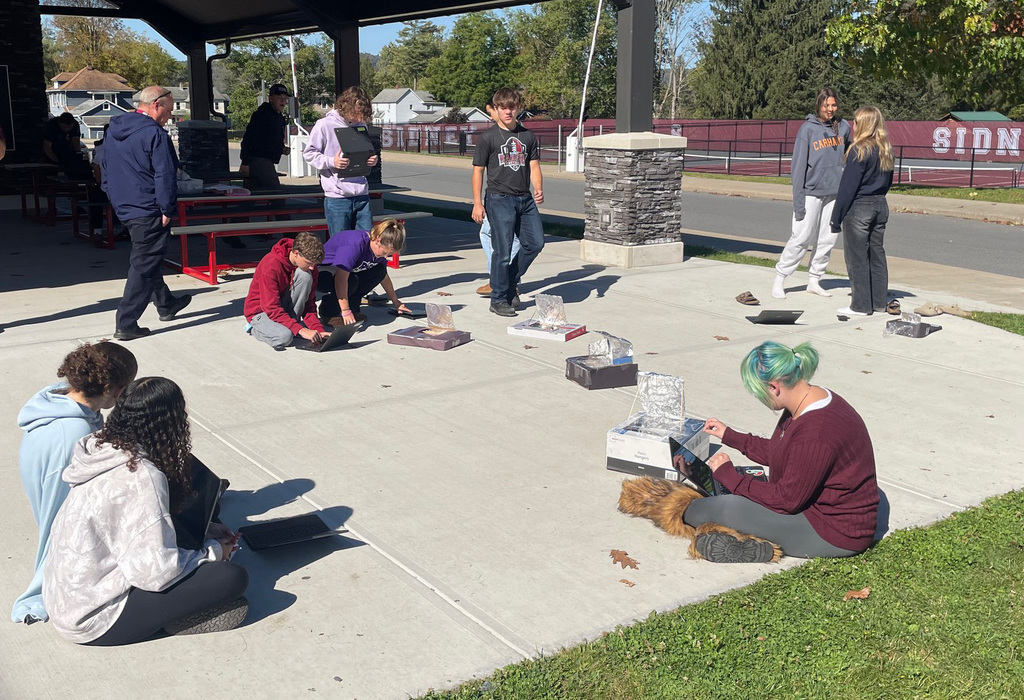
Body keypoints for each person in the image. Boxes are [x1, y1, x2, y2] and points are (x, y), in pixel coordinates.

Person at [619, 341, 879, 564]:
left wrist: (731, 477)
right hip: (814, 507)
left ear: (775, 386)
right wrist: (730, 436)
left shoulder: (816, 432)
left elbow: (787, 500)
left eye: (760, 393)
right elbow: (784, 454)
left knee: (701, 510)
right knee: (731, 490)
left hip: (834, 532)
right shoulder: (812, 399)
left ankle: (742, 543)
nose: (762, 400)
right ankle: (740, 538)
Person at [43, 377, 248, 645]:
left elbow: (129, 524)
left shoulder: (99, 447)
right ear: (172, 422)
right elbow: (154, 573)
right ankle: (178, 620)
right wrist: (213, 551)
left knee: (206, 519)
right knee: (231, 578)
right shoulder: (142, 478)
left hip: (66, 593)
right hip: (95, 618)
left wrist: (206, 527)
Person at [12, 342, 138, 624]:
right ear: (112, 388)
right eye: (124, 388)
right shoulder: (73, 432)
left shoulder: (62, 400)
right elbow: (57, 517)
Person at [102, 85, 191, 341]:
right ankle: (126, 322)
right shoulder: (155, 134)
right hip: (148, 207)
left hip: (125, 205)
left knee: (147, 256)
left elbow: (104, 165)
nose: (170, 116)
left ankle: (166, 303)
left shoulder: (114, 130)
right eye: (169, 110)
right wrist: (167, 207)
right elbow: (164, 174)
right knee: (143, 263)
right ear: (157, 105)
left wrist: (112, 195)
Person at [471, 87, 545, 317]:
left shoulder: (528, 136)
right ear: (496, 109)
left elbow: (533, 166)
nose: (508, 111)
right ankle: (499, 298)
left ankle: (510, 282)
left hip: (524, 198)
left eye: (511, 107)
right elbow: (478, 171)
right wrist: (477, 202)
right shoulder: (488, 138)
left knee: (535, 243)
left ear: (518, 108)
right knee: (501, 252)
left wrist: (538, 187)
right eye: (503, 107)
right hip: (498, 198)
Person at [772, 88, 851, 300]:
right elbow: (797, 168)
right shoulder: (807, 130)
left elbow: (849, 155)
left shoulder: (843, 127)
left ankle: (814, 280)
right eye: (827, 105)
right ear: (819, 106)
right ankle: (780, 277)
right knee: (801, 237)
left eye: (834, 105)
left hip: (834, 193)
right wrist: (799, 203)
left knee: (827, 239)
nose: (830, 109)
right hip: (811, 193)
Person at [830, 106, 896, 317]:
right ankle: (878, 302)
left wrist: (836, 217)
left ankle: (860, 305)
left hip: (859, 207)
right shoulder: (885, 149)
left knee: (857, 257)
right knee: (877, 255)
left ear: (864, 125)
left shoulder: (859, 149)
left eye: (856, 122)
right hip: (880, 205)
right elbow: (888, 182)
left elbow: (847, 187)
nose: (853, 125)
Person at [302, 86, 380, 234]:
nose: (359, 117)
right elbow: (309, 154)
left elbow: (365, 152)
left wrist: (371, 159)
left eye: (362, 114)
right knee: (340, 244)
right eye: (356, 113)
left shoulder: (361, 125)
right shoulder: (324, 125)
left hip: (361, 194)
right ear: (347, 106)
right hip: (337, 197)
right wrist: (332, 161)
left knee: (365, 241)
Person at [243, 231, 327, 349]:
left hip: (283, 309)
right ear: (296, 253)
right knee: (284, 337)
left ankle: (291, 325)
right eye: (309, 263)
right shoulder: (271, 264)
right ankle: (254, 328)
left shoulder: (310, 269)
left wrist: (318, 330)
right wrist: (301, 330)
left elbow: (309, 304)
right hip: (261, 311)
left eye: (315, 264)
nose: (312, 267)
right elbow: (271, 307)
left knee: (305, 275)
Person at [318, 219, 411, 325]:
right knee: (352, 281)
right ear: (377, 240)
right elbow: (341, 279)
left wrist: (396, 302)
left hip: (344, 273)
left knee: (379, 271)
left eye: (388, 254)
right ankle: (329, 312)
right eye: (385, 252)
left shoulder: (377, 250)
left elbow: (384, 277)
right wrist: (345, 311)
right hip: (321, 272)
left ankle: (354, 307)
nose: (385, 256)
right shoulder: (355, 245)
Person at [474, 101, 520, 298]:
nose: (491, 116)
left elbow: (479, 170)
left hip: (501, 197)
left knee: (500, 237)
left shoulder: (498, 135)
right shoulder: (516, 134)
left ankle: (501, 279)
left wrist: (478, 202)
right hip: (507, 196)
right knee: (492, 234)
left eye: (490, 112)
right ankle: (502, 278)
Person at [239, 83, 291, 191]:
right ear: (271, 99)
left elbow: (273, 140)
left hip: (268, 160)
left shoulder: (280, 118)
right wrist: (245, 162)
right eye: (279, 98)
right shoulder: (261, 116)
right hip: (258, 159)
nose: (283, 101)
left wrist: (281, 149)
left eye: (285, 98)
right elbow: (249, 140)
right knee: (275, 193)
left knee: (255, 192)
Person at [42, 113, 91, 179]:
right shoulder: (51, 125)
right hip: (52, 152)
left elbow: (76, 142)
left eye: (69, 127)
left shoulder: (75, 125)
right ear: (59, 123)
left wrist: (77, 158)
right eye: (64, 127)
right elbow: (47, 147)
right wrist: (57, 161)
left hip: (67, 151)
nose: (66, 129)